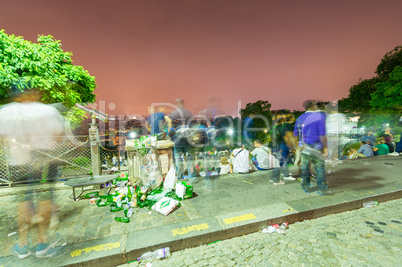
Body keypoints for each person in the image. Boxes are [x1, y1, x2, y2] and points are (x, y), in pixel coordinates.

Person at [0, 87, 64, 258]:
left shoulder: (5, 112)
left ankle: (23, 246)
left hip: (16, 163)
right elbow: (58, 135)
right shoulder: (47, 111)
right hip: (42, 161)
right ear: (33, 93)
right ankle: (42, 244)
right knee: (44, 200)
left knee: (22, 202)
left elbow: (1, 138)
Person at [293, 100, 329, 195]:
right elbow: (322, 135)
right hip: (317, 147)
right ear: (313, 106)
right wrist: (325, 147)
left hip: (304, 148)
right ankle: (322, 189)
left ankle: (306, 187)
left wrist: (298, 146)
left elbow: (295, 134)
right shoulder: (319, 117)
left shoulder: (300, 118)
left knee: (304, 166)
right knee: (319, 167)